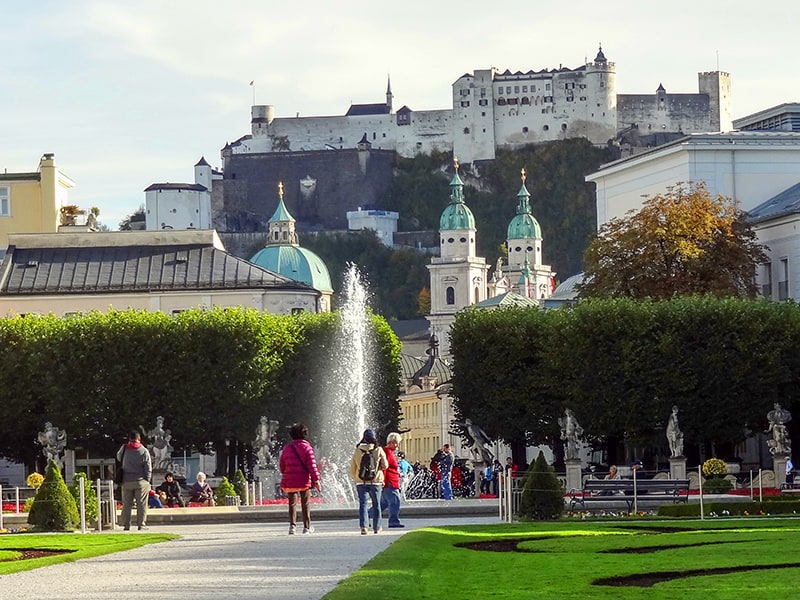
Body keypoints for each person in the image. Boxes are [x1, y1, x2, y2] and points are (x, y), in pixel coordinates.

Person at [278, 422, 321, 535]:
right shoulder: (307, 448)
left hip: (290, 480)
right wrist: (316, 480)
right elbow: (312, 466)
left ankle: (292, 526)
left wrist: (287, 473)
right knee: (305, 503)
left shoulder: (287, 448)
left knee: (292, 503)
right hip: (304, 480)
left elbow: (282, 465)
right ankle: (306, 527)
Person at [350, 428, 388, 534]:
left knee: (363, 504)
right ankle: (377, 527)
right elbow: (385, 465)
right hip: (376, 481)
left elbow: (352, 468)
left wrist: (357, 478)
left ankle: (364, 527)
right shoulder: (379, 449)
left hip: (361, 482)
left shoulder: (358, 450)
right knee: (377, 504)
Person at [116, 430, 152, 531]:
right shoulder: (144, 451)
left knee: (127, 504)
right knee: (142, 504)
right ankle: (141, 524)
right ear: (139, 439)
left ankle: (126, 525)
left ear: (129, 438)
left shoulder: (124, 448)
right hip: (140, 481)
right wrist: (147, 480)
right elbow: (148, 467)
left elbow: (119, 458)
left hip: (126, 481)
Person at [377, 432, 405, 528]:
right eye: (396, 443)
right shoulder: (387, 452)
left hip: (390, 481)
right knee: (395, 502)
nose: (397, 445)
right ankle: (393, 522)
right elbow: (384, 468)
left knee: (383, 504)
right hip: (390, 481)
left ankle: (367, 515)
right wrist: (383, 481)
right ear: (391, 442)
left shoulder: (389, 452)